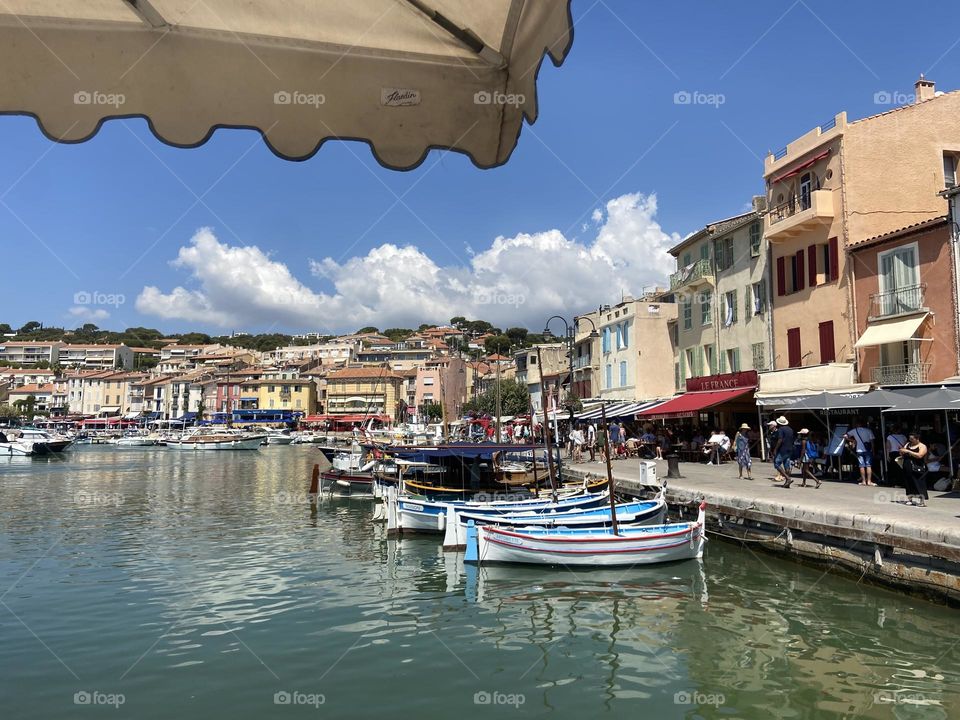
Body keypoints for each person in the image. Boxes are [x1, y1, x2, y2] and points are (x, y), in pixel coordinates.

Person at [899, 431, 929, 506]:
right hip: (907, 466)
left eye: (912, 439)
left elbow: (920, 455)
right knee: (908, 483)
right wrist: (902, 451)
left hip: (917, 467)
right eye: (910, 439)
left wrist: (908, 451)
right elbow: (903, 452)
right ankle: (910, 499)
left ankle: (922, 501)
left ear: (917, 439)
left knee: (919, 483)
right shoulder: (908, 444)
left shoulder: (922, 446)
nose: (911, 440)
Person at [845, 419, 876, 486]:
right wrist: (873, 450)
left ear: (857, 424)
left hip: (859, 450)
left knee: (861, 466)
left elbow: (845, 436)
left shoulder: (854, 430)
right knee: (868, 465)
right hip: (868, 450)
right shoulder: (868, 430)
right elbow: (872, 442)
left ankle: (863, 481)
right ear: (863, 424)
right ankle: (869, 481)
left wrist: (853, 440)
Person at [772, 416, 795, 487]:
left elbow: (780, 440)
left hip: (783, 449)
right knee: (786, 465)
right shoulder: (790, 429)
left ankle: (787, 478)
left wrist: (775, 449)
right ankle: (787, 483)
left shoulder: (780, 429)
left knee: (776, 463)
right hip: (790, 449)